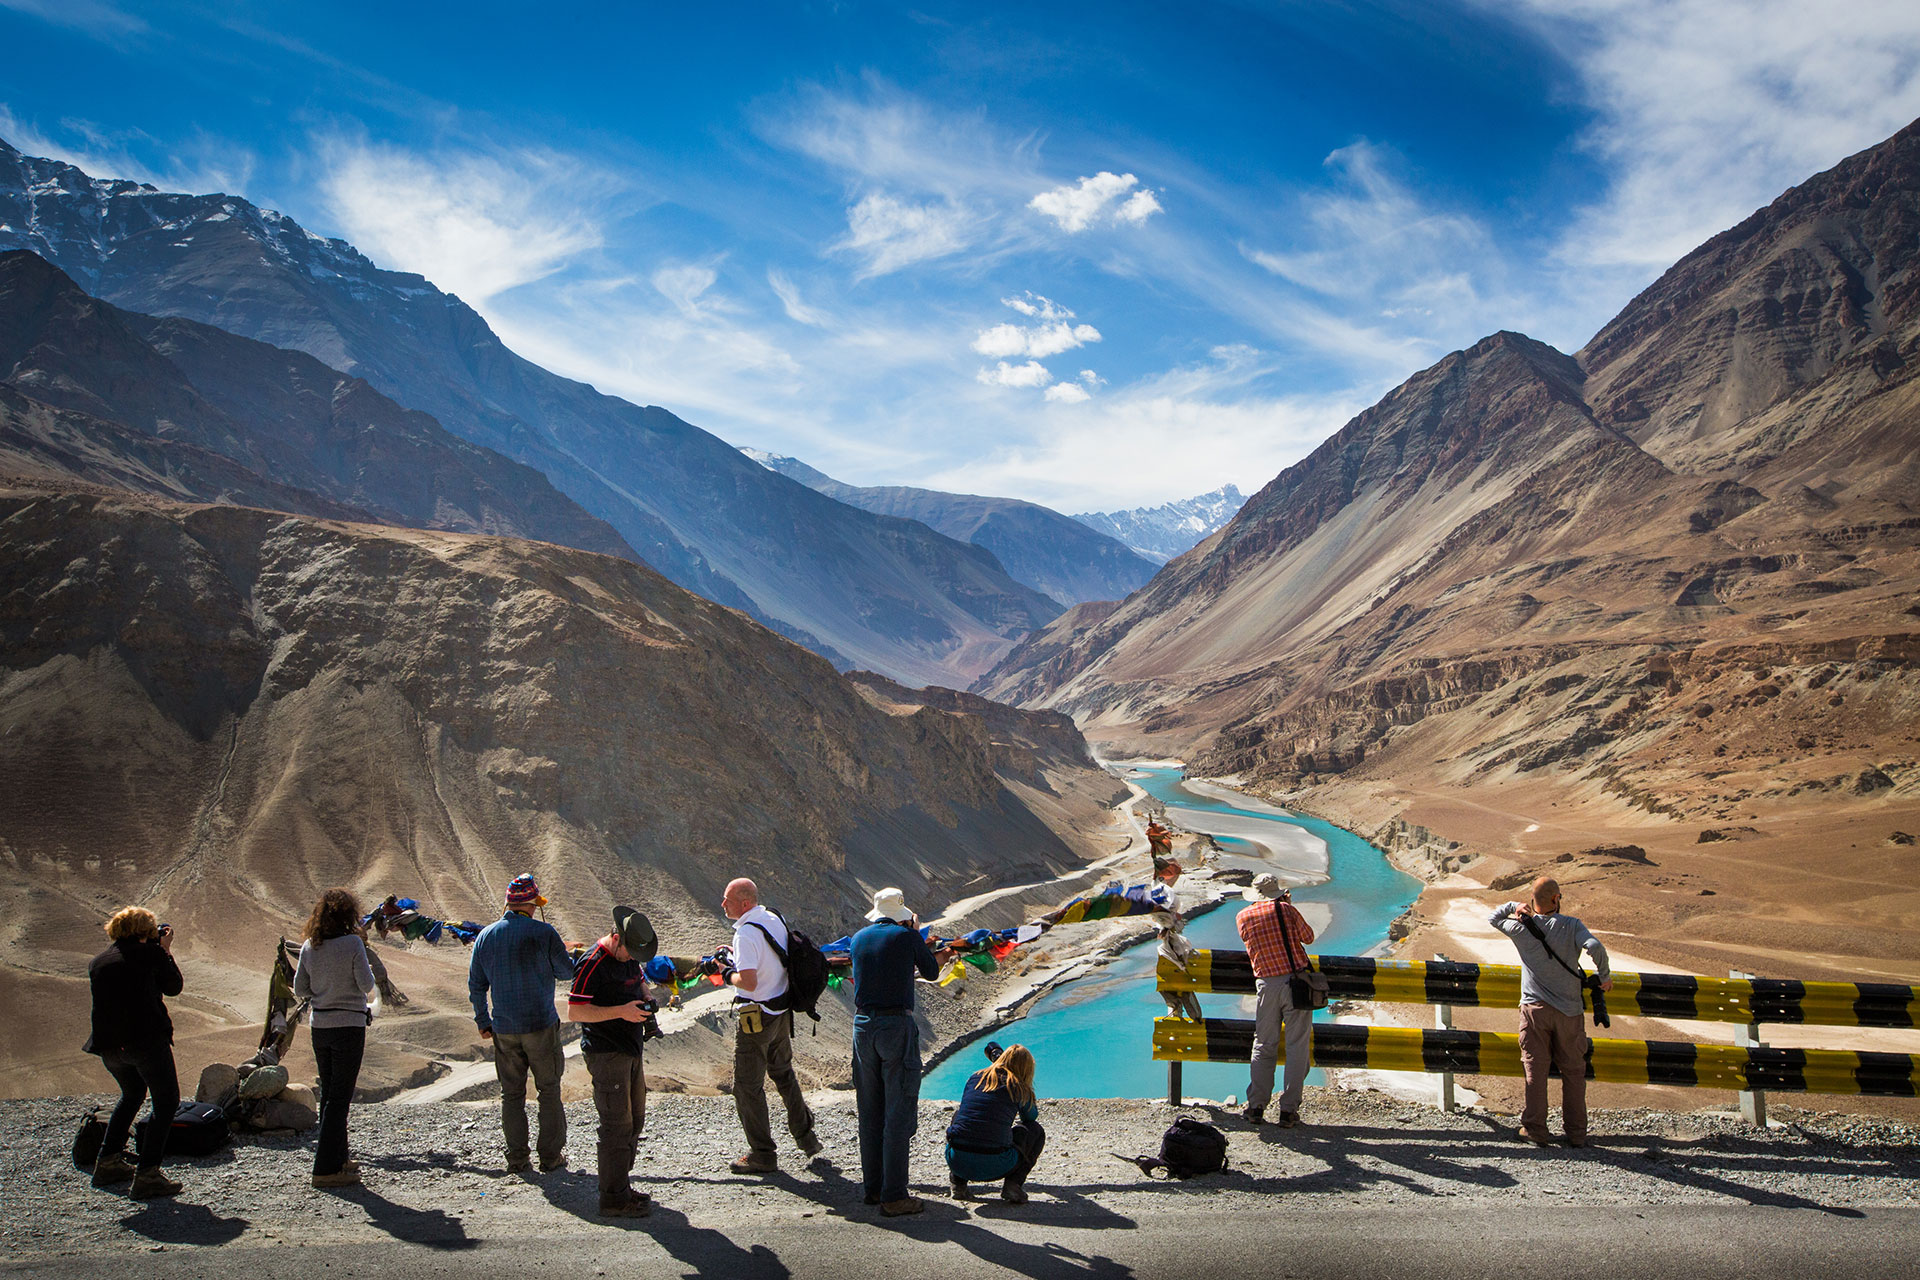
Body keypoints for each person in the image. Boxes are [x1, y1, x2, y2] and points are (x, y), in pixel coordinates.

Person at [1491, 877, 1613, 1148]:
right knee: (1573, 1072)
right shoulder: (1572, 925)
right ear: (1556, 899)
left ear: (1533, 901)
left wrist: (1515, 905)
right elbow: (1594, 947)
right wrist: (1603, 976)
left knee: (1535, 1068)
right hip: (1569, 1012)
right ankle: (1577, 1134)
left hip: (1534, 1010)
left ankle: (1535, 1130)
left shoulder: (1521, 928)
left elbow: (1493, 918)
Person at [468, 873, 576, 1174]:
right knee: (549, 1089)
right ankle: (550, 1157)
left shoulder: (485, 936)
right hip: (541, 1024)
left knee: (512, 1094)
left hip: (503, 1028)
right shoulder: (544, 933)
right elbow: (566, 973)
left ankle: (517, 1159)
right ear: (532, 904)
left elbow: (476, 985)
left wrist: (483, 1020)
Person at [717, 877, 823, 1175]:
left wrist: (727, 973)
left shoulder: (745, 934)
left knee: (747, 1087)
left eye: (728, 900)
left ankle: (762, 1153)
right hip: (781, 1010)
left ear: (744, 903)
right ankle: (806, 1137)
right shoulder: (772, 917)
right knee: (783, 1073)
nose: (723, 904)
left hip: (757, 1017)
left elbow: (748, 981)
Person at [849, 887, 943, 1217]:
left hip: (862, 1027)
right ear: (903, 914)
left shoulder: (858, 938)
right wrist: (914, 933)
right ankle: (894, 1195)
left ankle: (872, 1189)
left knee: (870, 1110)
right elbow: (931, 972)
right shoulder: (907, 936)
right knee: (898, 1111)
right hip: (895, 1027)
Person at [84, 906, 185, 1198]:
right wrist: (165, 951)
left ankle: (107, 1161)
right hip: (145, 1042)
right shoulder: (150, 955)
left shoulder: (99, 961)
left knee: (131, 1095)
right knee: (166, 1102)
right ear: (146, 932)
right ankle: (148, 1174)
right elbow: (174, 986)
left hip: (109, 1048)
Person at [567, 905, 659, 1218]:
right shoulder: (593, 962)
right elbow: (575, 1011)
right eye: (629, 952)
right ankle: (613, 1199)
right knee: (616, 1125)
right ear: (616, 938)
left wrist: (646, 996)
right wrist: (621, 1012)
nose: (632, 959)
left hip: (631, 1049)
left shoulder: (630, 957)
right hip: (606, 1052)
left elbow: (639, 979)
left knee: (634, 1121)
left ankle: (622, 1186)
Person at [294, 888, 376, 1189]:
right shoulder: (353, 943)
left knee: (330, 1094)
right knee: (340, 1099)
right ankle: (325, 1168)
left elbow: (300, 989)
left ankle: (339, 1157)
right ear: (349, 916)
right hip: (349, 1027)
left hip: (320, 1027)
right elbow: (366, 984)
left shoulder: (308, 947)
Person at [1236, 873, 1315, 1127]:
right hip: (1295, 985)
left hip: (1266, 986)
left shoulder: (1242, 917)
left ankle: (1256, 1106)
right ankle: (1288, 1110)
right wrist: (1288, 906)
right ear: (1277, 892)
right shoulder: (1286, 911)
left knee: (1263, 1045)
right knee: (1297, 1047)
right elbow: (1308, 937)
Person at [944, 1043, 1045, 1205]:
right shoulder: (1019, 1087)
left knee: (960, 1118)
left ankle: (958, 1184)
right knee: (1035, 1130)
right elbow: (1031, 1118)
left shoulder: (975, 1077)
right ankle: (1013, 1184)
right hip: (997, 1166)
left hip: (957, 1161)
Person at [1153, 912, 1204, 1021]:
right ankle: (1195, 1019)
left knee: (1174, 1004)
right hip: (1183, 982)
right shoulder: (1180, 945)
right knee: (1193, 1010)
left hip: (1169, 983)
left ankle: (1178, 1018)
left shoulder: (1163, 950)